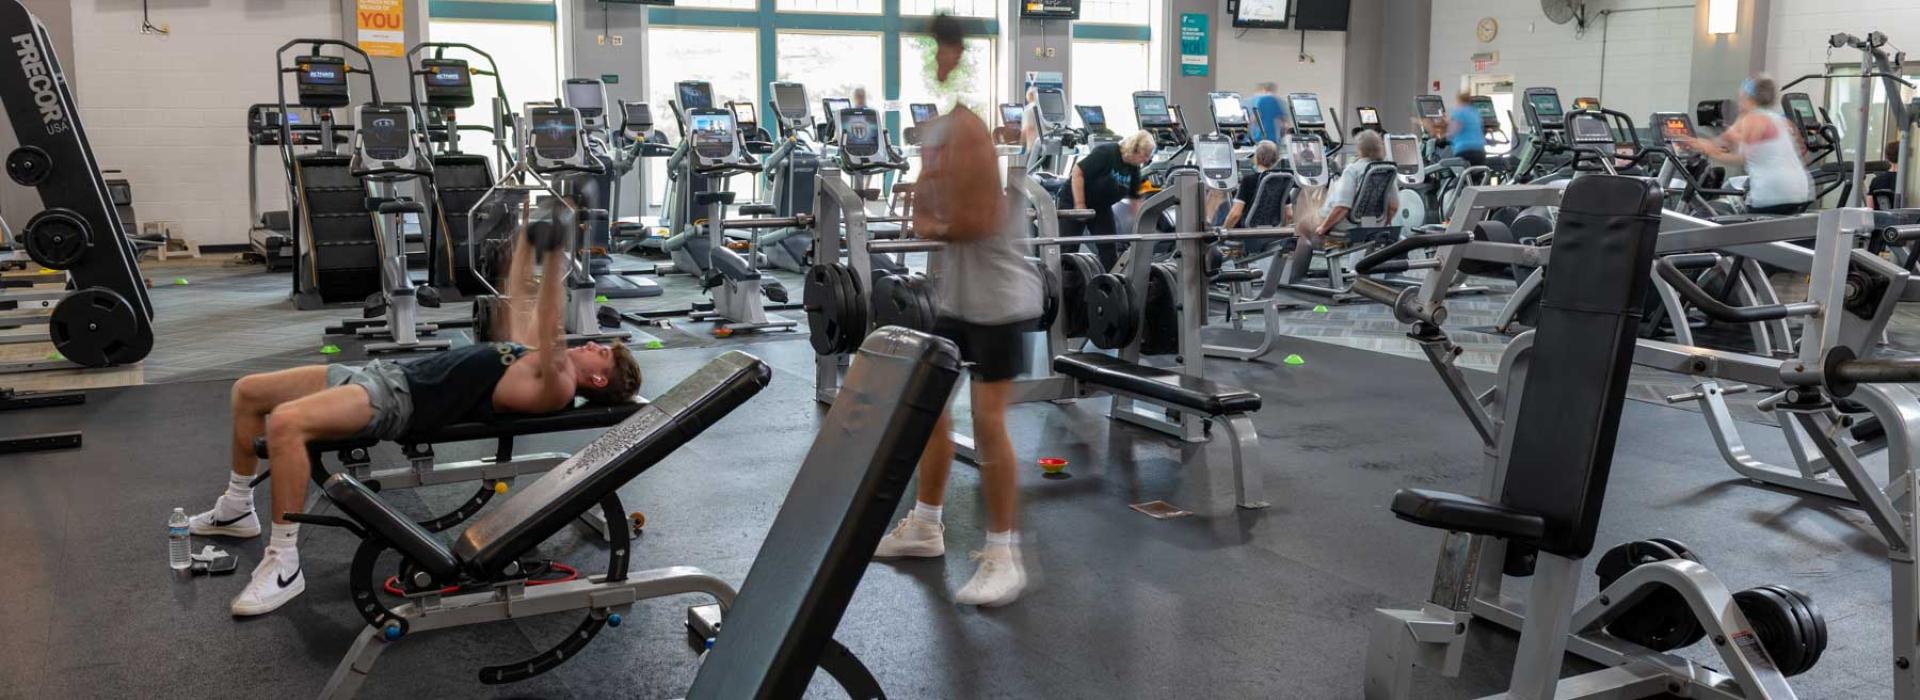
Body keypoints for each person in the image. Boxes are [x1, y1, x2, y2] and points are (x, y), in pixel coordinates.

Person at [188, 229, 644, 616]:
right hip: (385, 375)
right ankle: (236, 509)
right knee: (248, 391)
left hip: (401, 401)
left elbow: (547, 319)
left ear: (599, 377)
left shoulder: (558, 385)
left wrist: (557, 248)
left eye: (600, 351)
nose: (591, 344)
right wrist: (526, 242)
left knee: (286, 422)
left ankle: (284, 562)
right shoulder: (539, 362)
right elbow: (517, 307)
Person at [873, 11, 1045, 608]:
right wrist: (934, 207)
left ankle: (1003, 554)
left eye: (937, 51)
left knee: (989, 421)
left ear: (953, 55)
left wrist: (936, 211)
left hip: (1000, 301)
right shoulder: (943, 129)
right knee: (932, 413)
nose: (932, 61)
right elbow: (924, 212)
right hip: (958, 297)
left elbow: (971, 221)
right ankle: (925, 525)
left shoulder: (967, 128)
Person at [1687, 74, 1813, 216]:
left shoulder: (1752, 119)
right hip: (1801, 192)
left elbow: (1738, 157)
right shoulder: (1781, 120)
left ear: (1747, 96)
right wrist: (1712, 146)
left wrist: (1709, 150)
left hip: (1772, 195)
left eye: (1741, 96)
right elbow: (1803, 156)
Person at [1284, 130, 1397, 281]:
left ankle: (1295, 277)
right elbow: (1393, 206)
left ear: (1360, 149)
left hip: (1346, 227)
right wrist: (1385, 223)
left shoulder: (1352, 170)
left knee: (1302, 225)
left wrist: (1323, 228)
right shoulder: (1388, 169)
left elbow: (1342, 207)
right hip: (1374, 226)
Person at [1060, 130, 1154, 268]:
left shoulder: (1133, 167)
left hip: (1101, 206)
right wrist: (1080, 204)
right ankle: (1064, 284)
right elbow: (1077, 172)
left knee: (1109, 249)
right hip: (1074, 199)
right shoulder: (1106, 153)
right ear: (1134, 149)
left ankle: (1108, 285)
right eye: (1145, 155)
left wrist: (1141, 226)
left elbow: (1135, 198)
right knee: (1069, 247)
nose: (1147, 159)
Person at [1221, 140, 1282, 229]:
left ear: (1256, 158)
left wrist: (1223, 232)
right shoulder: (1282, 180)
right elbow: (1289, 214)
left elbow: (1235, 215)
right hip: (1272, 235)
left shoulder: (1248, 180)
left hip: (1247, 235)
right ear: (1276, 159)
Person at [1446, 91, 1487, 167]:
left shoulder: (1458, 112)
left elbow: (1453, 131)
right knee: (1476, 177)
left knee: (1461, 177)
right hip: (1480, 151)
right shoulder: (1474, 112)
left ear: (1458, 100)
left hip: (1465, 152)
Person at [1870, 139, 1900, 208]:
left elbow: (1870, 210)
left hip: (1880, 218)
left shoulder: (1875, 181)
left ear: (1887, 158)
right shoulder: (1908, 183)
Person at [1020, 86, 1041, 152]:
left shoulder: (1029, 109)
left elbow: (1028, 129)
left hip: (1034, 148)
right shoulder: (1043, 108)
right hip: (1046, 148)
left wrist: (1020, 143)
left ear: (1029, 96)